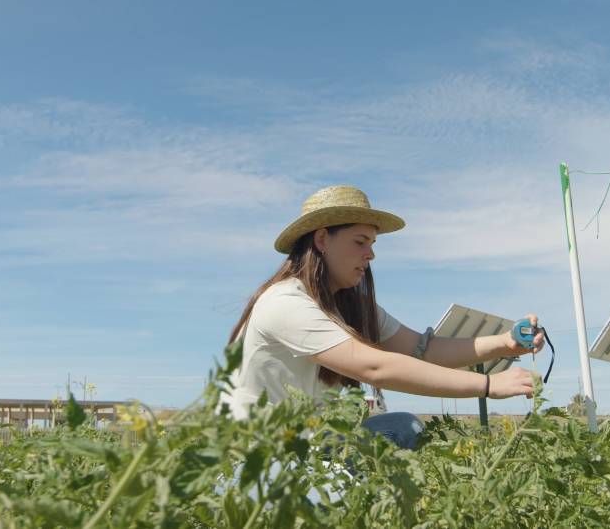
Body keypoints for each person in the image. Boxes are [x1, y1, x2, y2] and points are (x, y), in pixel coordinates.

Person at [219, 185, 545, 450]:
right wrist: (488, 385)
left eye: (372, 243)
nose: (371, 254)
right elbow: (374, 367)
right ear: (322, 240)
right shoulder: (285, 301)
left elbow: (423, 349)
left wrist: (505, 343)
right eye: (360, 242)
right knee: (393, 443)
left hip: (307, 448)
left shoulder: (350, 306)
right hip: (255, 456)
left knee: (404, 427)